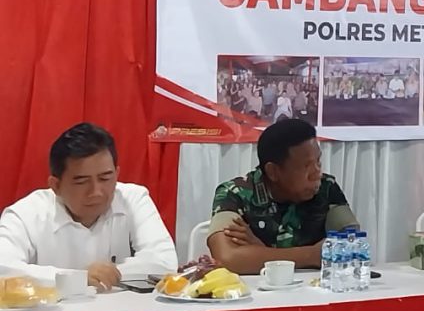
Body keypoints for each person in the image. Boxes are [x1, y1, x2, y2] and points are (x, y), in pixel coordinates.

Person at [0, 123, 177, 289]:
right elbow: (3, 267)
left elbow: (164, 262)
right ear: (56, 186)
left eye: (105, 178)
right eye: (82, 182)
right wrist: (77, 278)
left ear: (117, 174)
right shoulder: (25, 214)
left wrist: (110, 273)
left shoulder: (133, 199)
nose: (96, 192)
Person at [208, 119, 359, 274]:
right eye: (306, 166)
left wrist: (259, 251)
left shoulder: (326, 187)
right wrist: (312, 255)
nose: (317, 173)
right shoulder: (234, 193)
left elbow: (353, 246)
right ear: (273, 171)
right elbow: (227, 258)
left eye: (318, 161)